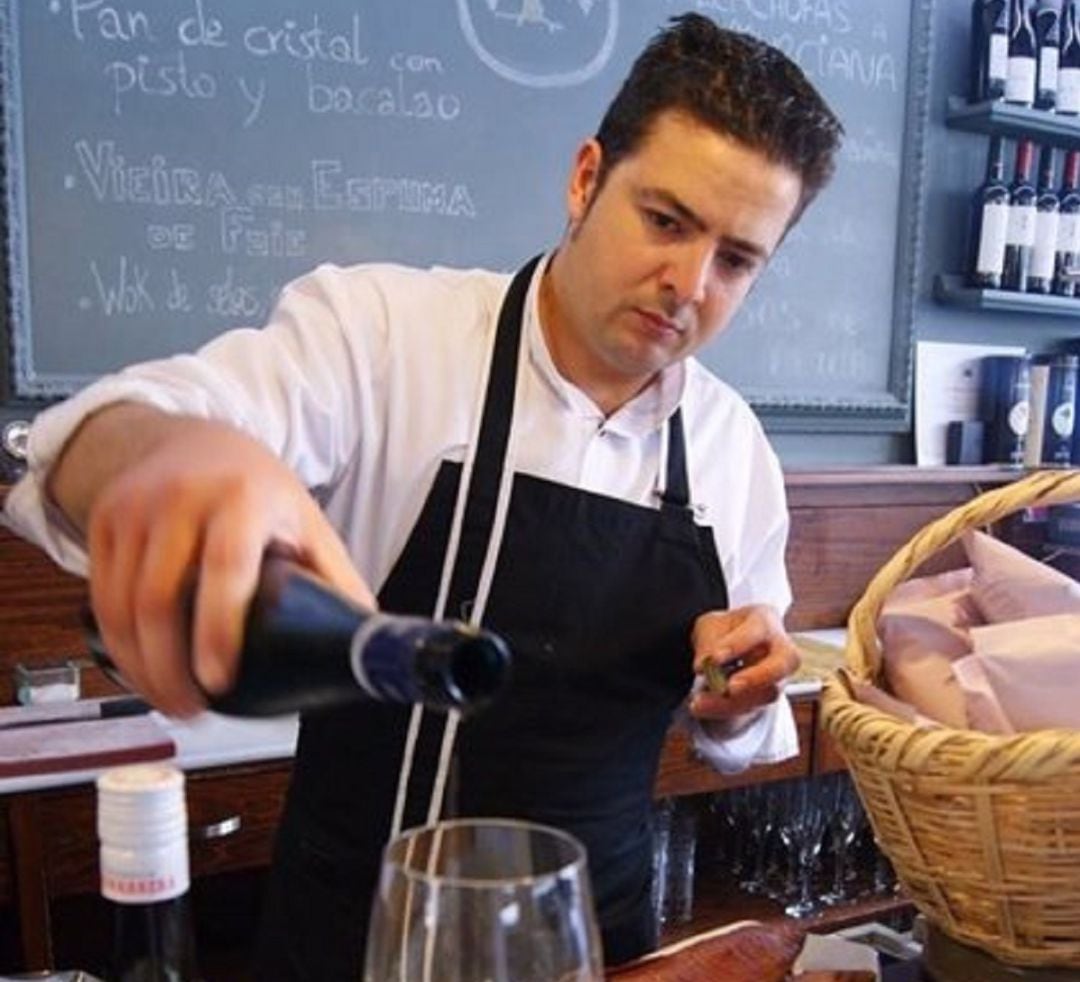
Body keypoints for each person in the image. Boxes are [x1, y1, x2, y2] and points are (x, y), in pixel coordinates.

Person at [3, 12, 842, 978]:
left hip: (592, 942)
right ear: (584, 179)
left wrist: (739, 695)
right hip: (354, 935)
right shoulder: (385, 333)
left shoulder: (734, 449)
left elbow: (743, 734)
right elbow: (133, 421)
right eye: (666, 221)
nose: (688, 284)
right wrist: (158, 459)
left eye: (737, 260)